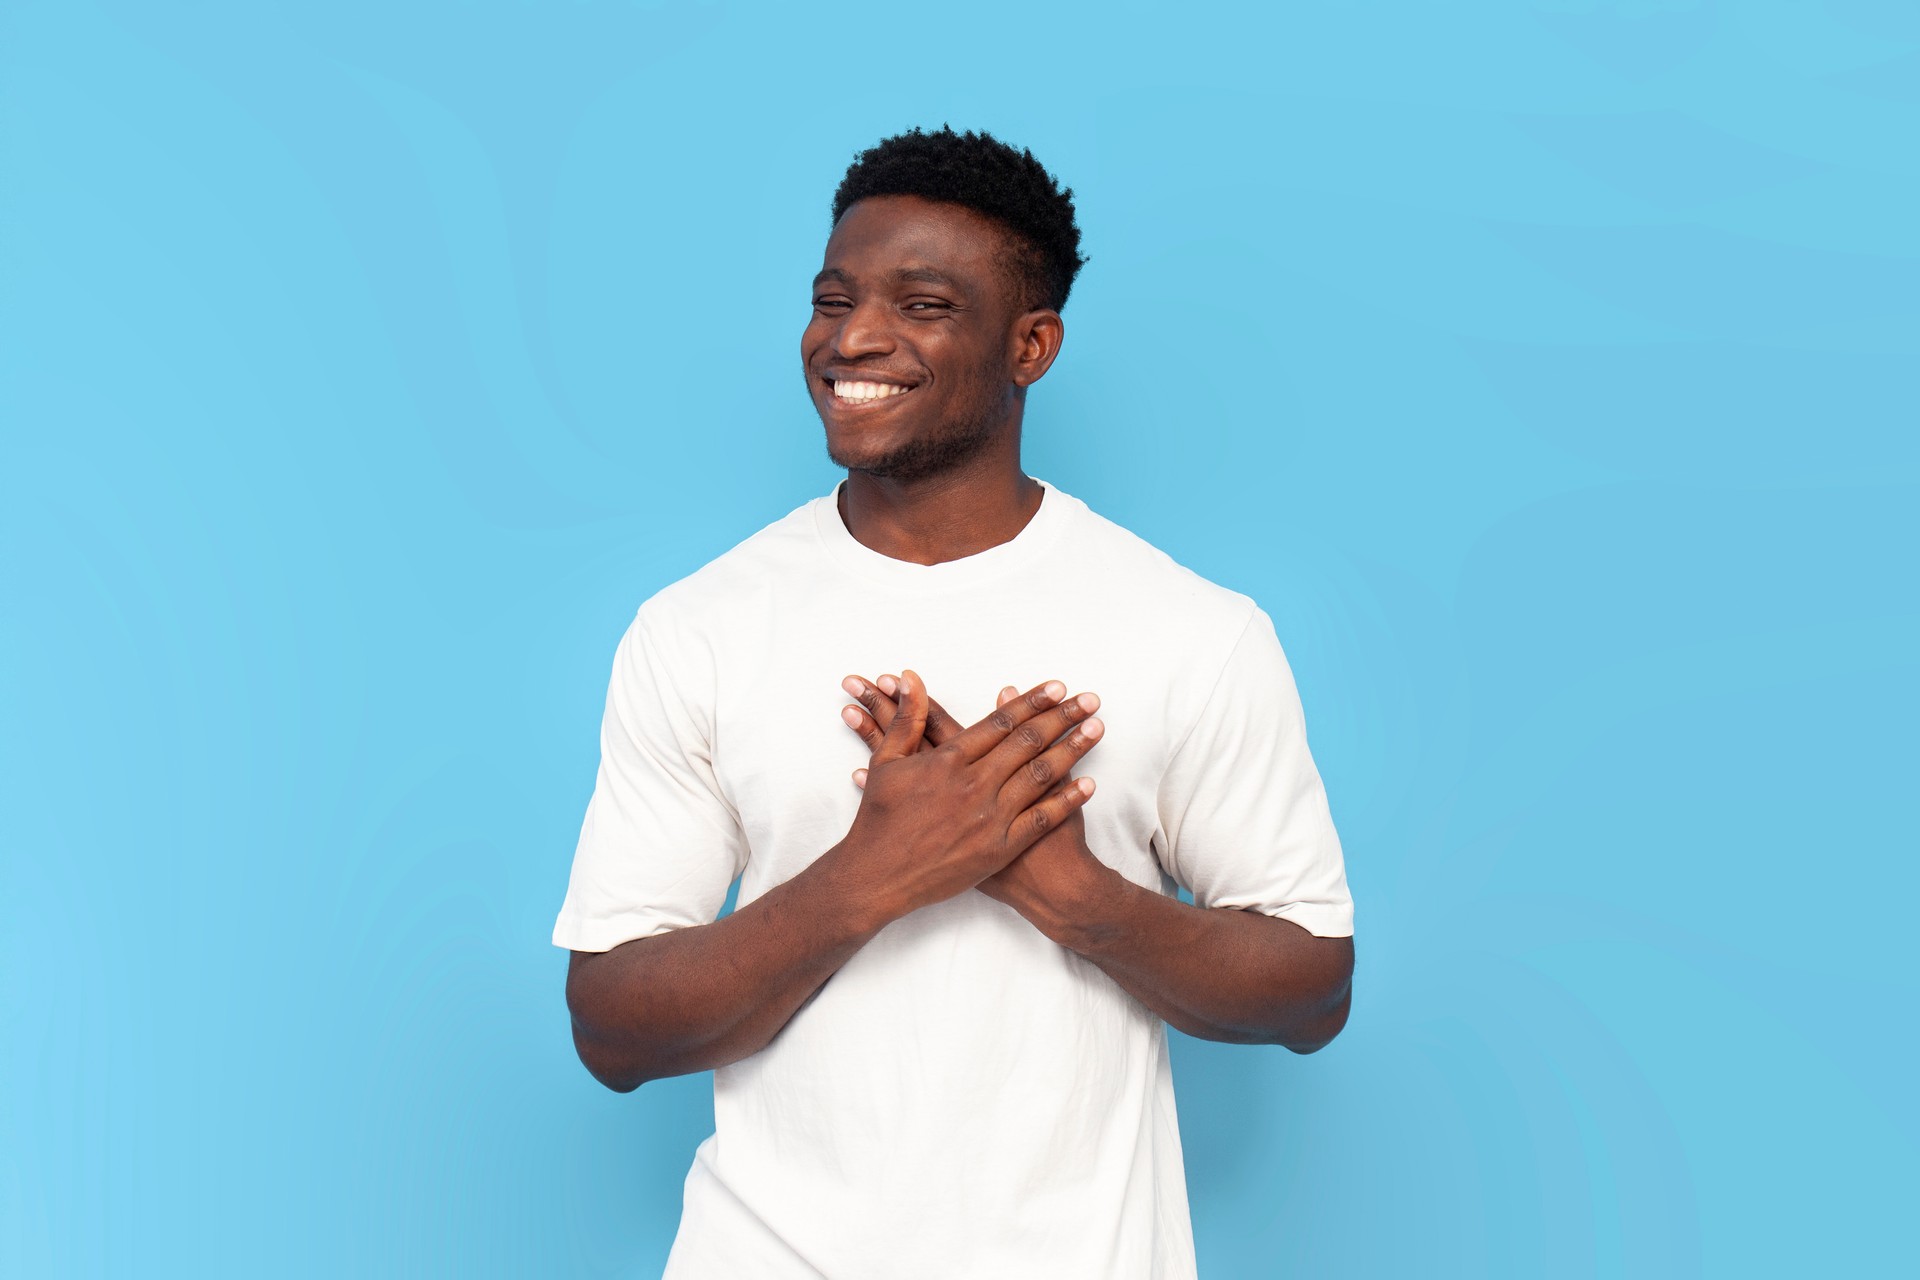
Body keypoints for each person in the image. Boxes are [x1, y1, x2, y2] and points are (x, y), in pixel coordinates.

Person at [553, 125, 1355, 1279]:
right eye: (834, 299)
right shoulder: (698, 627)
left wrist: (1075, 894)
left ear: (1031, 345)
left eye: (922, 304)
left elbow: (1312, 987)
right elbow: (612, 1028)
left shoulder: (1191, 629)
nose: (853, 339)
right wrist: (873, 873)